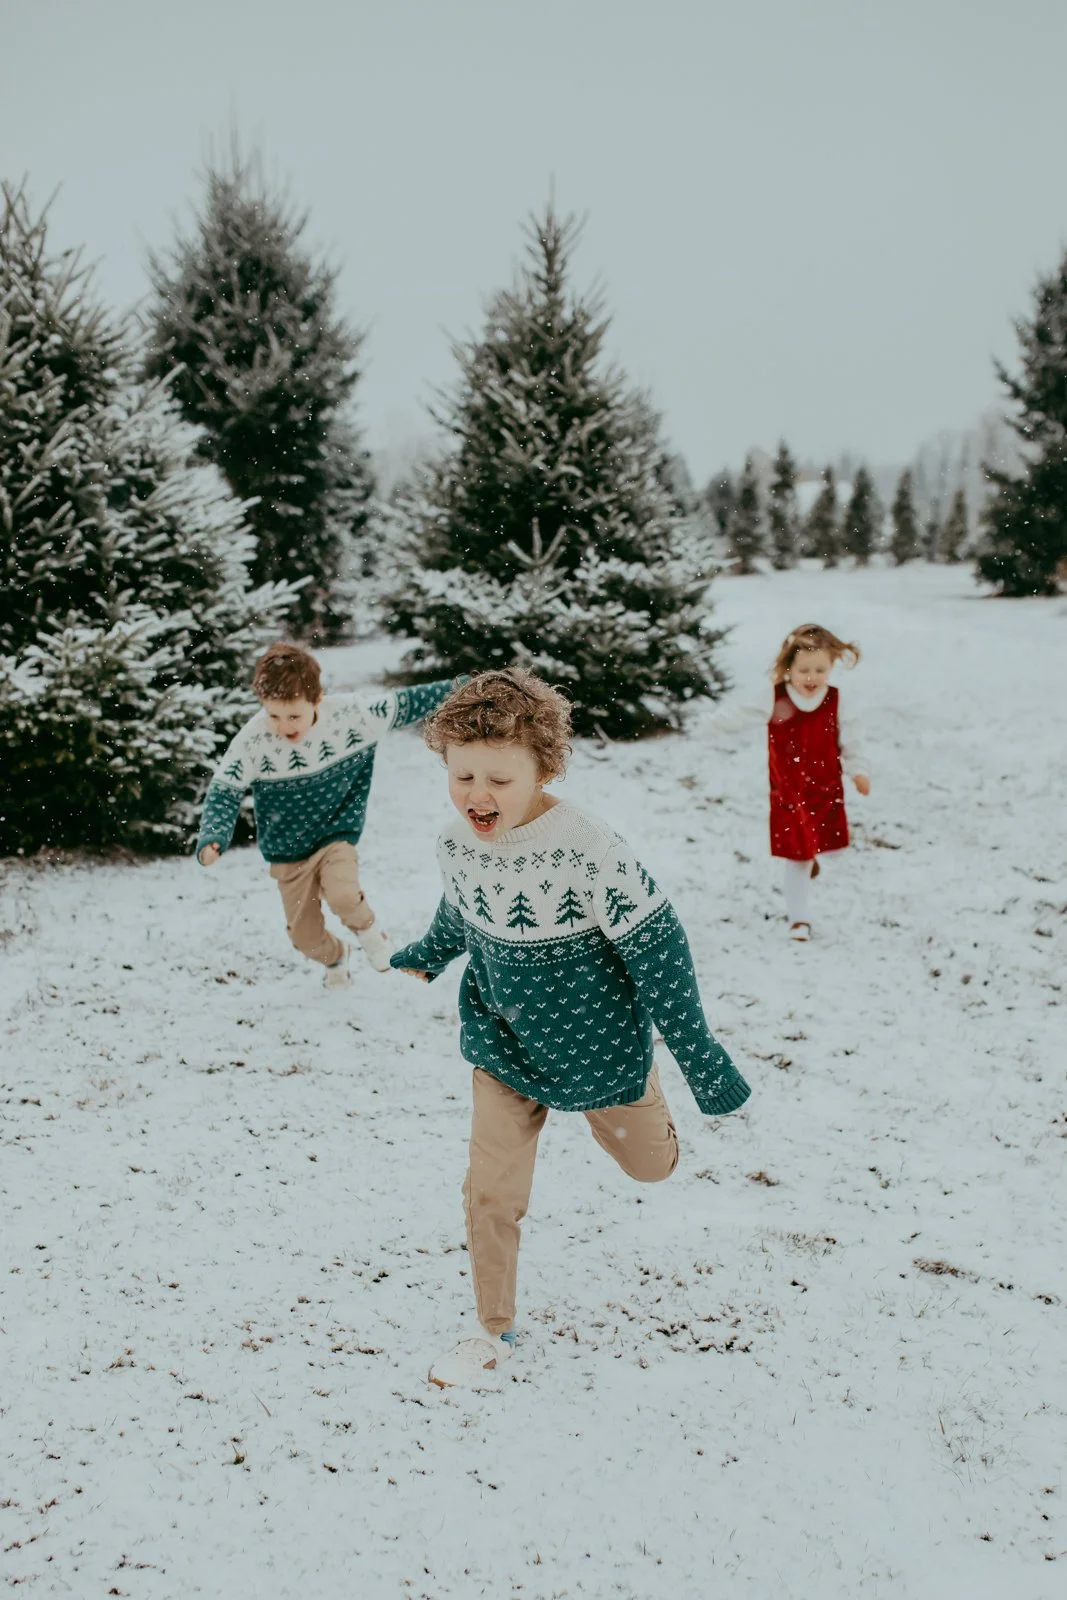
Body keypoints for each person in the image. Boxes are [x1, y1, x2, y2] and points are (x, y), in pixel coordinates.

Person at [390, 669, 751, 1389]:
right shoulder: (456, 841)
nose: (476, 795)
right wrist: (430, 953)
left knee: (649, 1167)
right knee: (488, 1189)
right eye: (461, 776)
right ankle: (492, 1324)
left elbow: (659, 953)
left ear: (543, 768)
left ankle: (646, 1107)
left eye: (498, 778)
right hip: (502, 1038)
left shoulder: (587, 846)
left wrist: (697, 1057)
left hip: (598, 1049)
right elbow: (463, 906)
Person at [196, 642, 458, 986]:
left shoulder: (350, 716)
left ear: (317, 700)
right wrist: (214, 836)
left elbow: (407, 703)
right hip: (288, 852)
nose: (283, 726)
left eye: (293, 715)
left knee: (343, 894)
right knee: (303, 937)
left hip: (336, 835)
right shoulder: (253, 740)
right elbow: (224, 789)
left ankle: (369, 931)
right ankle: (336, 957)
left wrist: (462, 686)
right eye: (273, 715)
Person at [706, 623, 870, 941]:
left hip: (825, 793)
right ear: (788, 667)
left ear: (832, 666)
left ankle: (812, 861)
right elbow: (738, 715)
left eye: (820, 669)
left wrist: (859, 771)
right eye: (804, 669)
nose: (812, 677)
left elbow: (853, 743)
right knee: (797, 859)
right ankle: (799, 920)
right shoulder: (775, 697)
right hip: (789, 796)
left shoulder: (837, 701)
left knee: (832, 851)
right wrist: (706, 725)